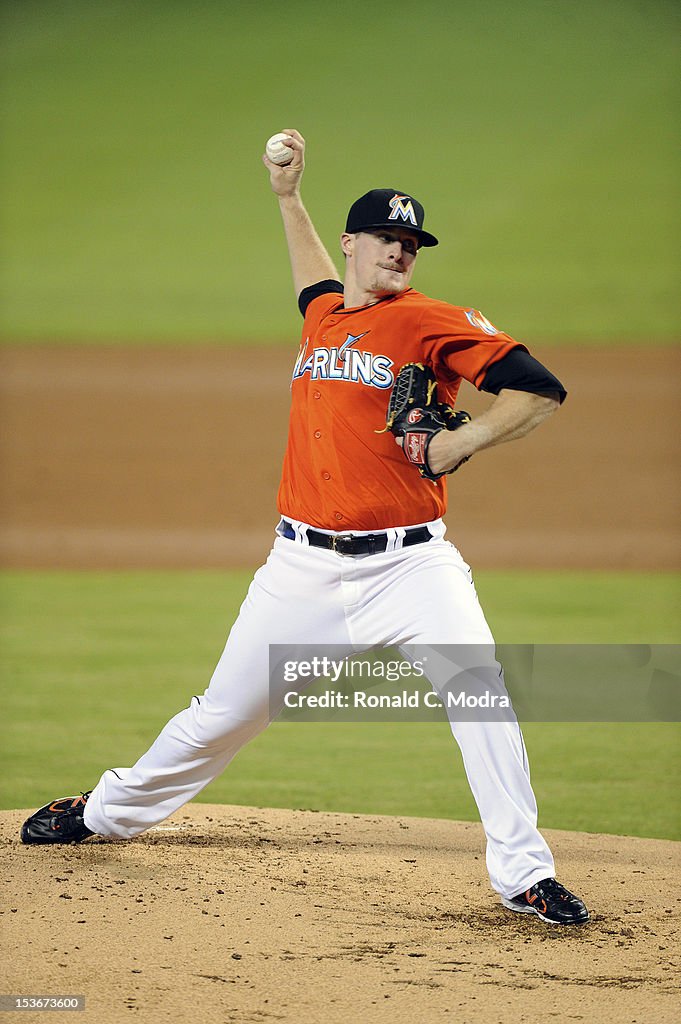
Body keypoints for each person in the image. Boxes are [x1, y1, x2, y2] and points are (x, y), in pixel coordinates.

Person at [21, 129, 589, 926]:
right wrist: (287, 196)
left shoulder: (429, 322)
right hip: (300, 572)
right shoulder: (325, 314)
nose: (400, 252)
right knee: (223, 715)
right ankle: (107, 813)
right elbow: (312, 283)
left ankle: (523, 874)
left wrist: (465, 439)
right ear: (353, 244)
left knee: (479, 695)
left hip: (410, 569)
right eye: (386, 239)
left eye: (411, 243)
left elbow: (537, 388)